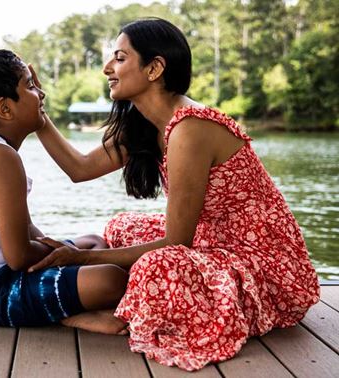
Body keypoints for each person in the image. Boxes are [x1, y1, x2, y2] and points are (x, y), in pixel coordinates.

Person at [29, 18, 320, 371]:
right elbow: (79, 169)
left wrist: (79, 259)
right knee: (123, 226)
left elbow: (175, 241)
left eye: (119, 58)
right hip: (212, 242)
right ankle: (128, 297)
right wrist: (38, 115)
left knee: (158, 263)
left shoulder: (190, 127)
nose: (108, 68)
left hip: (267, 266)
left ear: (154, 68)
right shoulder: (145, 123)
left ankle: (122, 313)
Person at [0, 49, 128, 333]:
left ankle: (63, 306)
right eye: (30, 86)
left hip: (7, 274)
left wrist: (67, 251)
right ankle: (65, 314)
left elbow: (25, 228)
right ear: (5, 108)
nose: (41, 94)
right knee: (113, 279)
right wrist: (63, 255)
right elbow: (18, 255)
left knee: (94, 242)